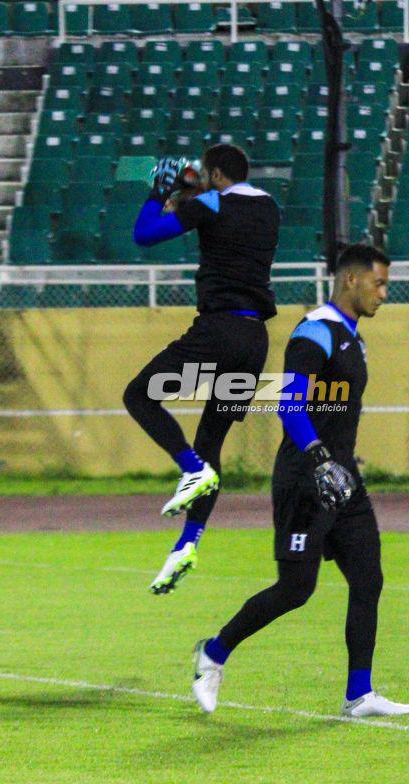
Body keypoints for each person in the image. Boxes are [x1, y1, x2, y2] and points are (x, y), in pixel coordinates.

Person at [190, 244, 409, 718]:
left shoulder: (353, 336)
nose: (385, 293)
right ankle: (213, 653)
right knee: (295, 589)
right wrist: (318, 458)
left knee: (368, 578)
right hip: (305, 479)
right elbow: (290, 404)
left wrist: (340, 463)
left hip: (344, 478)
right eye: (379, 283)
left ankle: (360, 694)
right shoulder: (315, 332)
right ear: (350, 280)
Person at [127, 143, 280, 595]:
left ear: (215, 174)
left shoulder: (213, 202)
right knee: (211, 441)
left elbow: (145, 234)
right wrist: (192, 191)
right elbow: (225, 213)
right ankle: (188, 542)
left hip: (218, 331)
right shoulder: (270, 207)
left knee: (140, 394)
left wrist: (161, 191)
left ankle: (189, 468)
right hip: (254, 344)